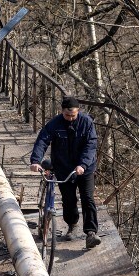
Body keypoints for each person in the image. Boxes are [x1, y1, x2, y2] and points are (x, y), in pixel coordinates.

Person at [29, 96, 101, 249]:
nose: (70, 118)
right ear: (61, 111)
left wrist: (82, 165)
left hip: (84, 168)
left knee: (87, 198)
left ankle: (91, 232)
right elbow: (42, 140)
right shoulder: (55, 124)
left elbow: (91, 145)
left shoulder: (86, 123)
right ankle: (72, 223)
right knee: (68, 199)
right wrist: (35, 160)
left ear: (78, 112)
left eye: (73, 115)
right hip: (63, 167)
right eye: (67, 115)